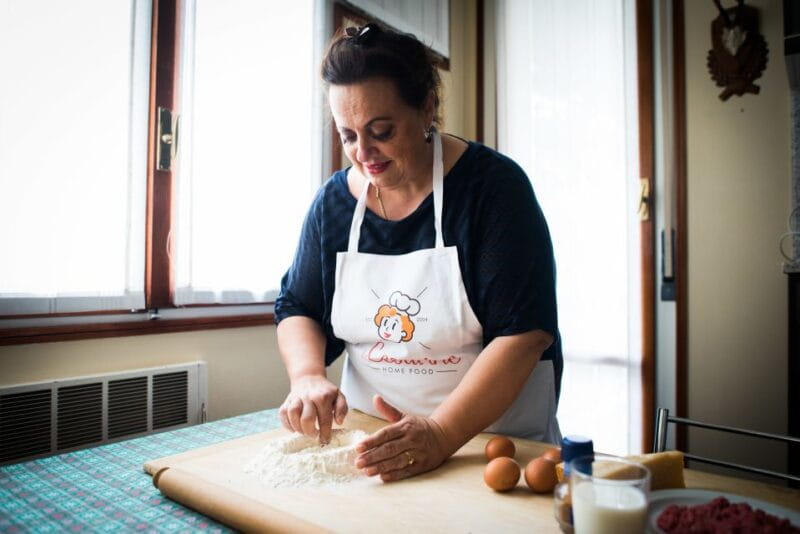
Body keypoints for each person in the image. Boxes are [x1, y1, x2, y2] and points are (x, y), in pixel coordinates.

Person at [274, 22, 562, 482]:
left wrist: (440, 434)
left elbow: (523, 334)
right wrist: (307, 375)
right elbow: (298, 306)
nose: (364, 152)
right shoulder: (333, 206)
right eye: (347, 136)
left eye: (381, 130)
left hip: (489, 449)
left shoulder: (494, 191)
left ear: (427, 107)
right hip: (371, 450)